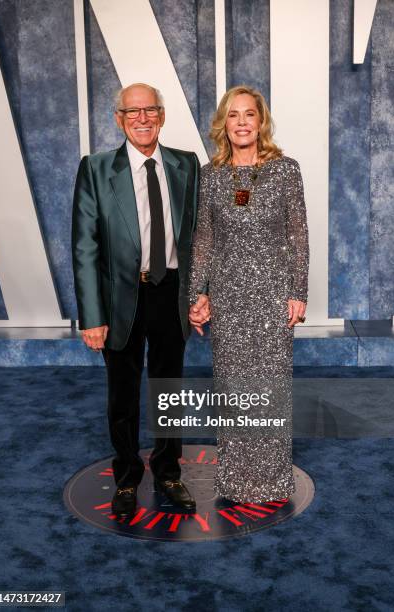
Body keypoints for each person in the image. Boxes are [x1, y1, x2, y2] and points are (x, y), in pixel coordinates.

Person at [72, 83, 199, 516]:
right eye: (132, 112)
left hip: (171, 293)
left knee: (169, 390)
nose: (142, 119)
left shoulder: (187, 165)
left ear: (162, 116)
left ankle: (168, 472)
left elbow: (199, 237)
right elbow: (85, 247)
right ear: (119, 118)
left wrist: (202, 293)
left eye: (150, 111)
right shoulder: (96, 168)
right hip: (119, 299)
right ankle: (127, 478)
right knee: (122, 394)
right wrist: (91, 316)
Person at [189, 85, 309, 503]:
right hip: (228, 295)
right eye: (234, 115)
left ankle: (273, 480)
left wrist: (299, 290)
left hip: (273, 293)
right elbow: (204, 240)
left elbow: (298, 234)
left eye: (250, 115)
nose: (242, 123)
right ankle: (236, 480)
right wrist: (196, 294)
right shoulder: (211, 175)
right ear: (225, 123)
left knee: (271, 385)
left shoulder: (285, 170)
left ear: (261, 122)